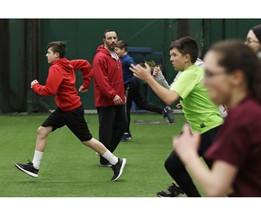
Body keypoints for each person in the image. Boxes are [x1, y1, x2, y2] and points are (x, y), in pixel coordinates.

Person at [173, 40, 261, 196]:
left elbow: (217, 188)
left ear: (236, 77)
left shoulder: (243, 118)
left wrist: (189, 155)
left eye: (211, 74)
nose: (205, 82)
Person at [14, 41, 126, 181]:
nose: (46, 55)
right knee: (42, 130)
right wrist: (85, 83)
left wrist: (35, 86)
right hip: (65, 109)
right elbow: (85, 64)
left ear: (56, 55)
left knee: (87, 140)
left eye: (48, 53)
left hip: (71, 110)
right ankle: (34, 167)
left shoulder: (56, 68)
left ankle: (116, 162)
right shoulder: (68, 64)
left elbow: (50, 90)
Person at [130, 36, 224, 197]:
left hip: (210, 131)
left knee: (225, 186)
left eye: (174, 55)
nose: (171, 59)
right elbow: (176, 93)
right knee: (173, 165)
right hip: (198, 130)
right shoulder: (193, 71)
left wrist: (148, 78)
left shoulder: (190, 73)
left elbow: (169, 98)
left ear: (186, 57)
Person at [114, 40, 174, 141]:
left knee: (125, 109)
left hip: (130, 85)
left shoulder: (127, 60)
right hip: (133, 84)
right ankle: (164, 110)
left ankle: (125, 133)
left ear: (123, 50)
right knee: (142, 104)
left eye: (117, 49)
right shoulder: (121, 59)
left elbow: (137, 68)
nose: (115, 51)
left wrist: (149, 72)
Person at [92, 30, 127, 166]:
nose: (112, 40)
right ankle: (104, 159)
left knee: (122, 124)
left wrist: (120, 94)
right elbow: (102, 81)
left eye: (114, 38)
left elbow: (117, 79)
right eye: (109, 38)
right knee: (106, 130)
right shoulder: (100, 58)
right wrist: (113, 94)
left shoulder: (115, 55)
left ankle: (107, 154)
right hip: (106, 101)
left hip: (118, 99)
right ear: (104, 40)